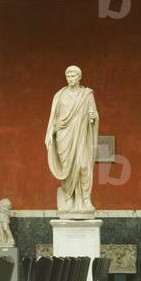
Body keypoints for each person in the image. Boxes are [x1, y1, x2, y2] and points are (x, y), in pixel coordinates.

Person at [44, 65, 98, 214]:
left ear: (79, 77)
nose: (70, 79)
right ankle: (68, 199)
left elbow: (94, 114)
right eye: (68, 76)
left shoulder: (87, 95)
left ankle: (86, 199)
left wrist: (93, 118)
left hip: (81, 136)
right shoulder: (59, 95)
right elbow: (53, 119)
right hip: (64, 136)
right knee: (67, 169)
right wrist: (52, 131)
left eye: (73, 76)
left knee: (83, 166)